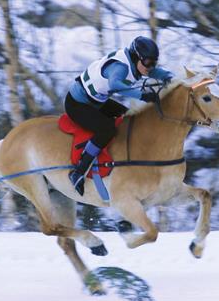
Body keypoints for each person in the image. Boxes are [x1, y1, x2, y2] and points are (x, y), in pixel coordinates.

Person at [64, 35, 174, 195]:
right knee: (107, 129)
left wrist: (170, 77)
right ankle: (78, 172)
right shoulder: (121, 67)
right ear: (137, 57)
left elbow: (153, 72)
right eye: (148, 63)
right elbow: (114, 84)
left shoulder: (137, 64)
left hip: (96, 101)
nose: (151, 67)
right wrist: (142, 95)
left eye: (154, 63)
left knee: (128, 118)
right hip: (78, 105)